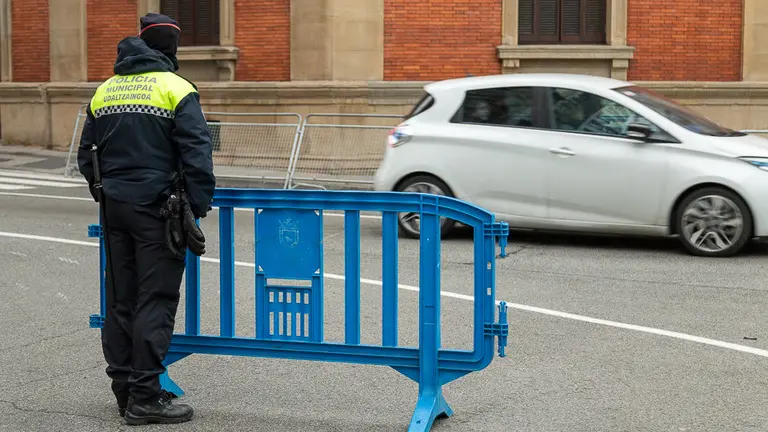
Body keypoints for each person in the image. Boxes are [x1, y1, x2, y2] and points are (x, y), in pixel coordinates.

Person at [77, 13, 216, 425]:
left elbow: (88, 156)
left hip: (115, 207)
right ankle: (146, 397)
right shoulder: (176, 87)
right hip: (160, 209)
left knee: (122, 300)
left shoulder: (104, 90)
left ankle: (123, 391)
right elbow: (196, 150)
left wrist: (107, 192)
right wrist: (198, 205)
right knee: (155, 299)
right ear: (170, 47)